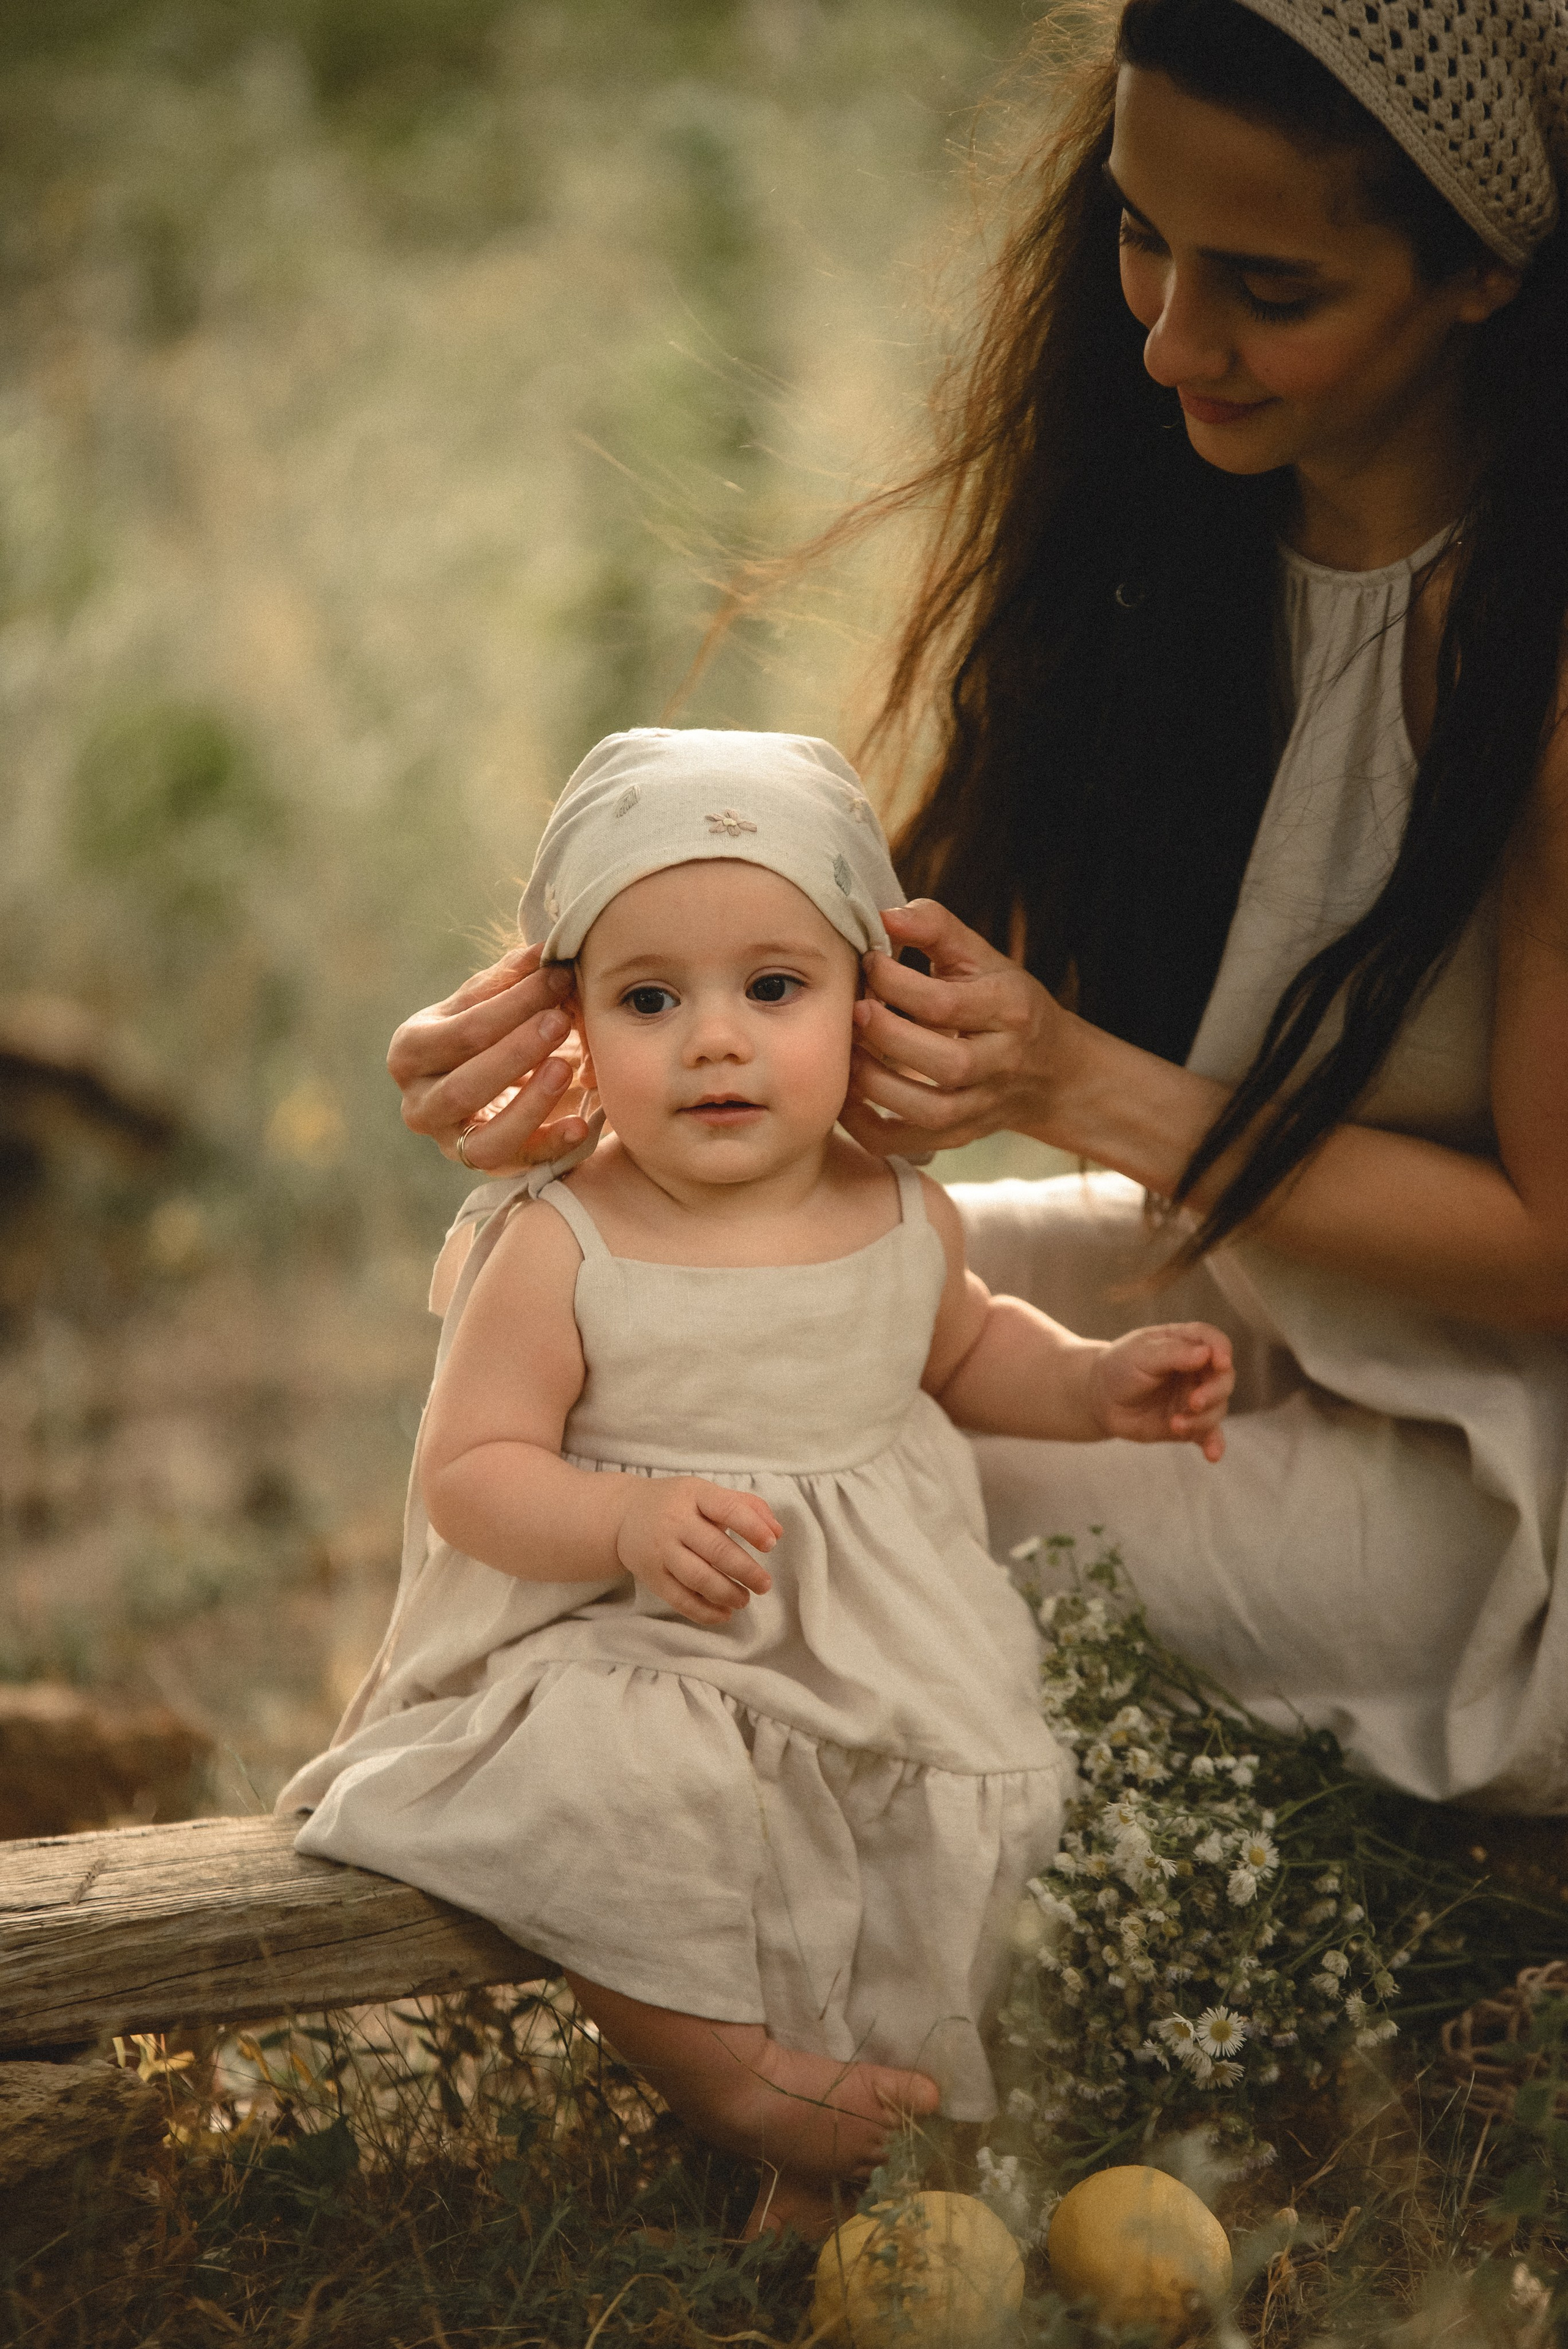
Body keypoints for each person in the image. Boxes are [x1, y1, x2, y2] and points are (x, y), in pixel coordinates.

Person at [386, 0, 1568, 1814]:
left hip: (1509, 1481)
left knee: (787, 1465)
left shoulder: (1535, 649)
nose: (1173, 337)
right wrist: (602, 1004)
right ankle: (533, 1813)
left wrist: (1068, 1079)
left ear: (1486, 274)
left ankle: (631, 1904)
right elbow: (902, 935)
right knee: (619, 1303)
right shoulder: (1189, 511)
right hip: (1270, 1281)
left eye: (1269, 286)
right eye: (1140, 233)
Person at [280, 729, 1235, 2238]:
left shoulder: (900, 1210)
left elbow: (964, 1353)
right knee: (626, 1789)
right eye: (649, 998)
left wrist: (1091, 1385)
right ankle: (735, 2082)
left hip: (875, 1635)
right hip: (627, 1636)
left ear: (866, 1000)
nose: (713, 1040)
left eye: (772, 989)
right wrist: (623, 1520)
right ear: (574, 1026)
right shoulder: (561, 1240)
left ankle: (857, 2154)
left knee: (954, 1810)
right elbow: (471, 1475)